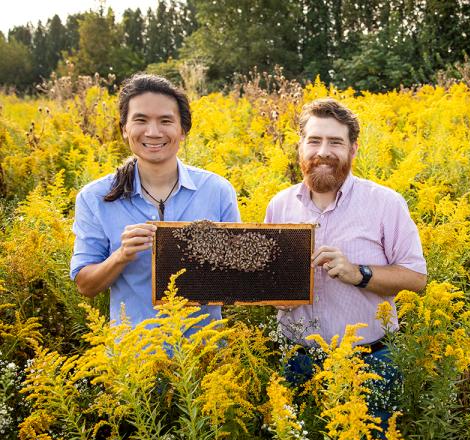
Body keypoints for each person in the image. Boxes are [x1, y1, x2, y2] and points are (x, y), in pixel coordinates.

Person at [264, 99, 427, 403]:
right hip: (297, 359)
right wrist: (273, 293)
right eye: (314, 140)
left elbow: (416, 279)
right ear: (301, 147)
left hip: (369, 361)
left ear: (353, 149)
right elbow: (267, 275)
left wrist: (358, 273)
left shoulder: (385, 204)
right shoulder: (279, 204)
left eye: (335, 142)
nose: (323, 151)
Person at [70, 73, 240, 327]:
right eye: (140, 120)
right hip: (134, 357)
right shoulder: (94, 197)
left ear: (182, 131)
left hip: (205, 355)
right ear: (124, 130)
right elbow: (85, 285)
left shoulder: (217, 190)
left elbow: (239, 279)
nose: (153, 131)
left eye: (165, 121)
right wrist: (121, 255)